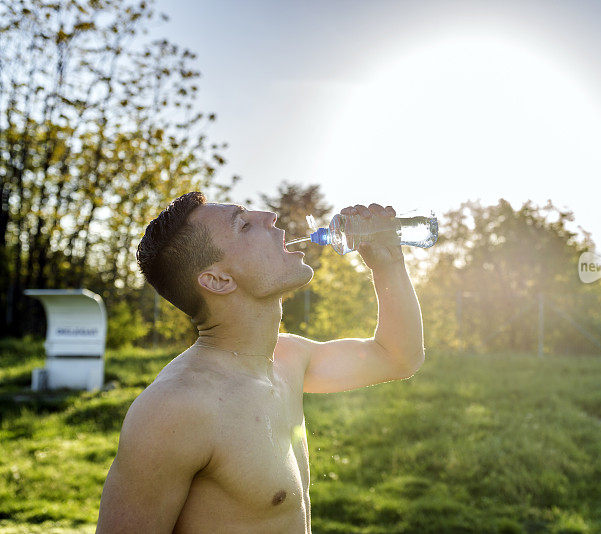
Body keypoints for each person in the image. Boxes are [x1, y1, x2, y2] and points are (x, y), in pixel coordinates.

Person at [95, 192, 425, 533]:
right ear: (218, 280)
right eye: (244, 225)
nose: (269, 217)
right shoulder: (173, 408)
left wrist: (389, 264)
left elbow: (398, 358)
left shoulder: (287, 359)